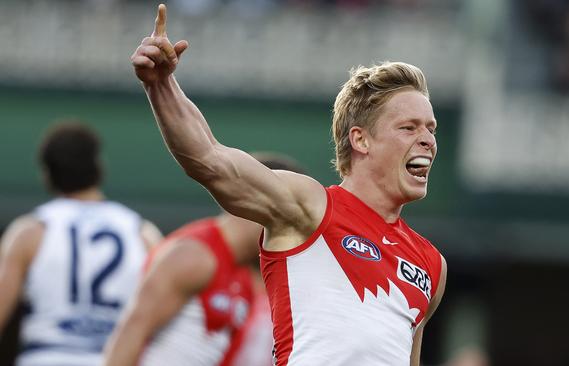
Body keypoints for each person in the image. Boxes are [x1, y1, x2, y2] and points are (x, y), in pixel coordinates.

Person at [130, 4, 447, 365]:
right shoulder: (310, 206)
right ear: (361, 140)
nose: (428, 140)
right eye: (409, 127)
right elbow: (210, 160)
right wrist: (161, 86)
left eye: (431, 129)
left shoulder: (432, 265)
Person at [103, 153, 303, 366]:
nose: (294, 234)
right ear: (261, 203)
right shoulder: (195, 256)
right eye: (290, 219)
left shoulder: (243, 276)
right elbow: (131, 331)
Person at [0, 121, 162, 366]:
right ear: (98, 166)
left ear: (47, 173)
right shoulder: (142, 233)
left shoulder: (30, 232)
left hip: (45, 356)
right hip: (112, 358)